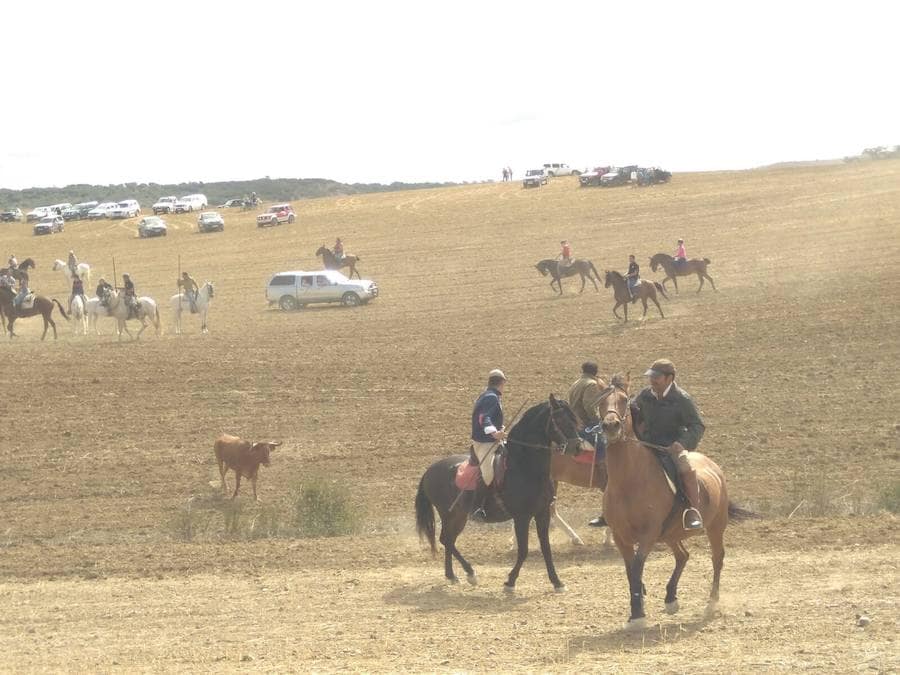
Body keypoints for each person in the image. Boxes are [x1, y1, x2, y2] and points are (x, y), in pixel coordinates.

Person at [631, 359, 706, 530]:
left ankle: (693, 511)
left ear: (669, 378)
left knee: (684, 466)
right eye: (651, 377)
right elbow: (631, 411)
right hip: (646, 444)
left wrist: (682, 443)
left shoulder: (682, 399)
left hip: (671, 447)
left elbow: (697, 425)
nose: (652, 381)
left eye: (656, 377)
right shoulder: (644, 395)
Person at [469, 369, 508, 519]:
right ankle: (478, 507)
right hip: (485, 443)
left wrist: (500, 429)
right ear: (502, 383)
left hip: (490, 440)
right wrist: (495, 433)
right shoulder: (491, 397)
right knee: (488, 474)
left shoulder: (488, 395)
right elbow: (484, 418)